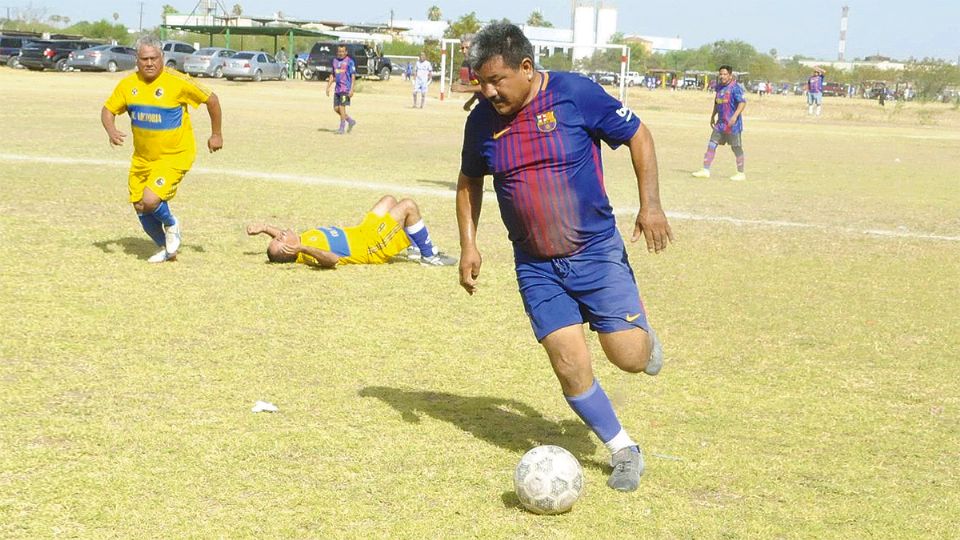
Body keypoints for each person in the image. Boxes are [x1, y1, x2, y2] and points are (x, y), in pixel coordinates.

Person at [455, 22, 673, 493]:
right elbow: (469, 179)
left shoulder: (575, 94)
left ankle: (638, 337)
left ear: (527, 68)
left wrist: (650, 205)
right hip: (535, 265)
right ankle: (623, 449)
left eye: (497, 80)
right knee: (568, 362)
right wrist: (469, 245)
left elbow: (639, 135)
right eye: (480, 81)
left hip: (594, 251)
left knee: (630, 359)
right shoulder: (481, 123)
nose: (488, 91)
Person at [100, 35, 223, 263]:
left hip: (175, 155)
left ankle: (172, 224)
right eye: (144, 58)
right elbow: (107, 110)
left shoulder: (177, 81)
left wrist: (216, 134)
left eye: (154, 58)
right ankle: (168, 250)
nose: (149, 63)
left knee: (150, 200)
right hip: (142, 158)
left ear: (162, 58)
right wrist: (111, 130)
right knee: (139, 205)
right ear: (136, 60)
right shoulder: (128, 84)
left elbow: (212, 99)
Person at [247, 195, 457, 267]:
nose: (280, 234)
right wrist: (303, 247)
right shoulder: (307, 253)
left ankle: (413, 249)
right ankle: (429, 256)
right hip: (370, 246)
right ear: (291, 249)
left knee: (389, 200)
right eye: (280, 239)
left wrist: (265, 228)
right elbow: (332, 261)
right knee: (408, 206)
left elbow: (282, 242)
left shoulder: (299, 242)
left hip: (363, 231)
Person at [691, 65, 747, 181]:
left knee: (736, 148)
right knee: (712, 144)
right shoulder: (719, 88)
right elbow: (717, 103)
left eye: (725, 74)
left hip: (733, 125)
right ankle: (705, 170)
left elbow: (742, 103)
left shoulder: (735, 88)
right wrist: (713, 116)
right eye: (720, 74)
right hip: (720, 124)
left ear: (730, 75)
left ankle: (741, 173)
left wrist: (735, 116)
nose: (722, 76)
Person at [325, 44, 357, 135]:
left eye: (343, 51)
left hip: (345, 89)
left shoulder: (350, 62)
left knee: (342, 108)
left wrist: (352, 89)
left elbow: (353, 76)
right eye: (339, 51)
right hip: (337, 89)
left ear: (346, 52)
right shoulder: (334, 61)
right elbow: (332, 75)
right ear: (337, 52)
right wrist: (328, 87)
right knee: (336, 109)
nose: (341, 53)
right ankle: (350, 121)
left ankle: (342, 128)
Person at [451, 35, 480, 111]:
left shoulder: (483, 64)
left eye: (467, 48)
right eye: (462, 48)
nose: (464, 51)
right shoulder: (466, 63)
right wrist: (471, 101)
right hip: (484, 104)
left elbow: (488, 87)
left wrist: (463, 88)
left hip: (497, 105)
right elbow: (465, 81)